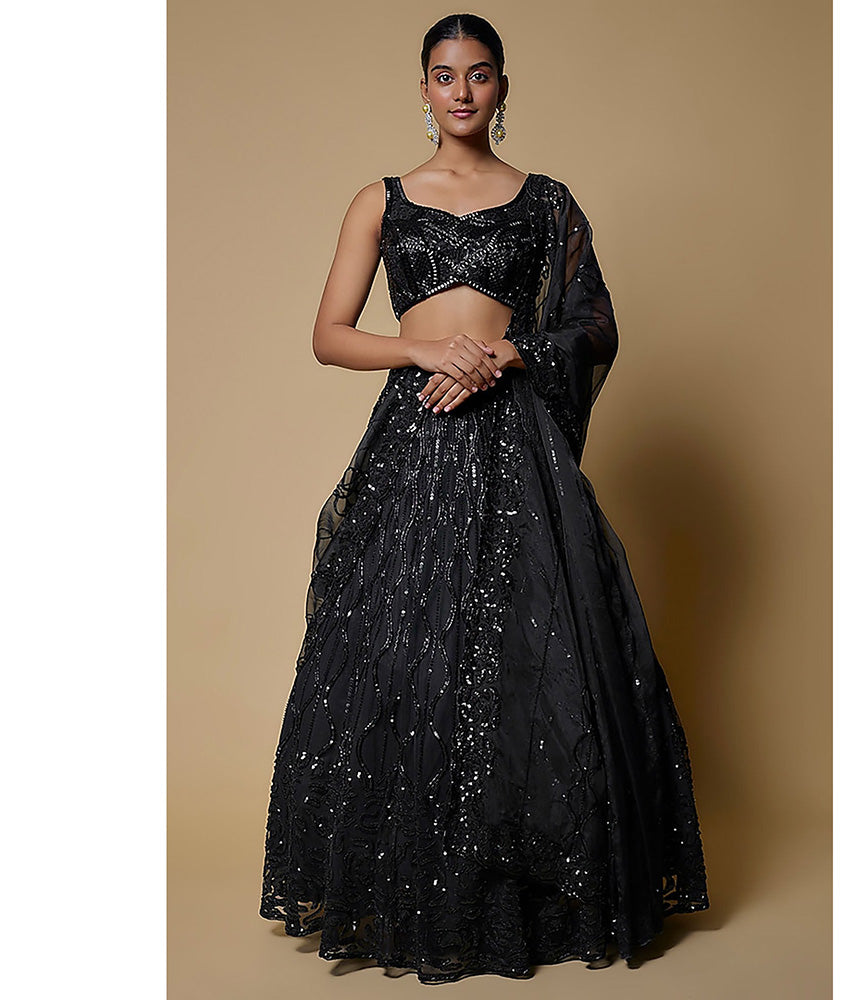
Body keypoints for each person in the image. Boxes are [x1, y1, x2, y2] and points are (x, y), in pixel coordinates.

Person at [259, 11, 709, 985]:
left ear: (502, 86)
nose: (460, 90)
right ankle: (415, 885)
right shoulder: (381, 201)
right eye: (443, 74)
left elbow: (593, 326)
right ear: (422, 89)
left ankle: (522, 891)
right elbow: (330, 334)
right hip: (416, 437)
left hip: (516, 444)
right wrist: (425, 349)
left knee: (525, 658)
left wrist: (506, 352)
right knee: (402, 654)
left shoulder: (546, 202)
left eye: (478, 74)